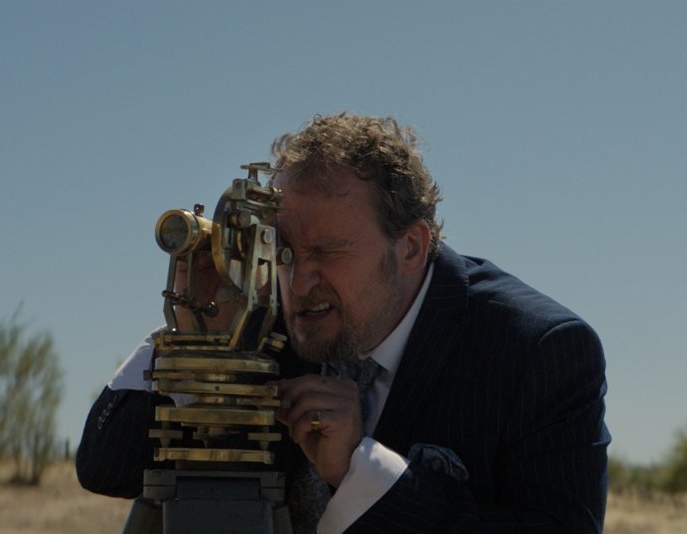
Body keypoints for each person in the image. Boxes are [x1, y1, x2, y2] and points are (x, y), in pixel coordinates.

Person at [77, 112, 611, 533]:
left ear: (410, 246)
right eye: (285, 250)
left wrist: (360, 473)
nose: (298, 281)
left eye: (328, 251)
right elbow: (106, 466)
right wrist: (197, 338)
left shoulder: (539, 352)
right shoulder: (263, 321)